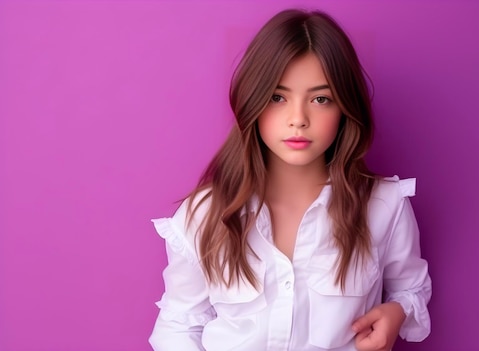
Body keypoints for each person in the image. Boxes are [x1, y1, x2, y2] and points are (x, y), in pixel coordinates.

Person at [148, 8, 431, 351]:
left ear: (344, 109)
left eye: (320, 99)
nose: (298, 119)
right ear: (253, 101)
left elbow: (410, 287)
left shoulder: (384, 206)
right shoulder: (204, 215)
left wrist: (397, 311)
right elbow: (178, 323)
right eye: (278, 98)